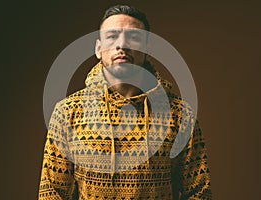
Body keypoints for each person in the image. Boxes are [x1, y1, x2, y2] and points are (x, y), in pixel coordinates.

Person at [38, 5, 212, 200]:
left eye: (133, 37)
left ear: (147, 49)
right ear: (98, 49)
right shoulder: (68, 112)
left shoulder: (180, 115)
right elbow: (52, 193)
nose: (122, 45)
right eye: (112, 36)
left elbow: (199, 193)